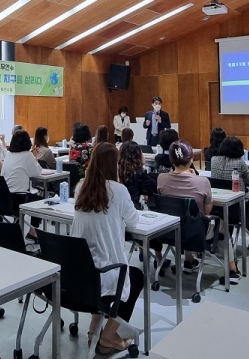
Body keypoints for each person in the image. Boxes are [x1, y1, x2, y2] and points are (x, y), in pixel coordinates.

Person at [71, 142, 143, 354]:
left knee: (105, 271)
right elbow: (134, 222)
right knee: (136, 277)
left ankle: (94, 328)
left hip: (78, 272)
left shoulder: (80, 187)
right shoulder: (118, 191)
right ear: (115, 165)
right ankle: (109, 336)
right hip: (103, 273)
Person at [158, 140, 241, 283]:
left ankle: (189, 261)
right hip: (196, 231)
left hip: (170, 230)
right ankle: (232, 269)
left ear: (171, 159)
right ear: (191, 159)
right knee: (220, 224)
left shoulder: (161, 179)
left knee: (185, 218)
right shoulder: (202, 182)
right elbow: (206, 210)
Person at [211, 136, 249, 249]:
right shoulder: (240, 163)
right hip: (236, 209)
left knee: (229, 212)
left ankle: (226, 239)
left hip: (217, 207)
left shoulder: (214, 160)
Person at [1, 130, 43, 241]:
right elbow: (37, 172)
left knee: (31, 196)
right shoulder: (27, 155)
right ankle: (33, 231)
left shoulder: (9, 154)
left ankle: (18, 225)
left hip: (4, 198)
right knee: (40, 201)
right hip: (18, 199)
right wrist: (35, 157)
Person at [118, 141, 157, 210]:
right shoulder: (139, 173)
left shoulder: (118, 171)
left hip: (118, 208)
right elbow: (156, 188)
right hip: (133, 209)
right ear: (137, 156)